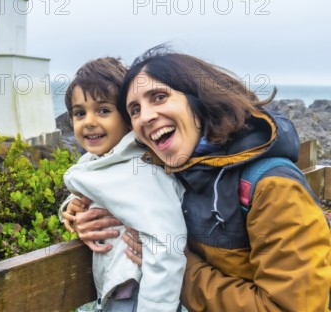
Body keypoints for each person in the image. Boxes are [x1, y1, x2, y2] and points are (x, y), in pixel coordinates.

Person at [67, 45, 331, 311]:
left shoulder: (272, 188)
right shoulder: (176, 170)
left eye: (159, 97)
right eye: (134, 110)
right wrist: (80, 212)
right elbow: (113, 174)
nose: (145, 117)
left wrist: (179, 265)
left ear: (198, 97)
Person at [60, 57, 187, 312]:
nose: (89, 121)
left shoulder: (140, 169)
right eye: (79, 113)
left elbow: (167, 245)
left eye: (104, 110)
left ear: (128, 117)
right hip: (113, 292)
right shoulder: (102, 161)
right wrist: (71, 206)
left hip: (137, 295)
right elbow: (90, 187)